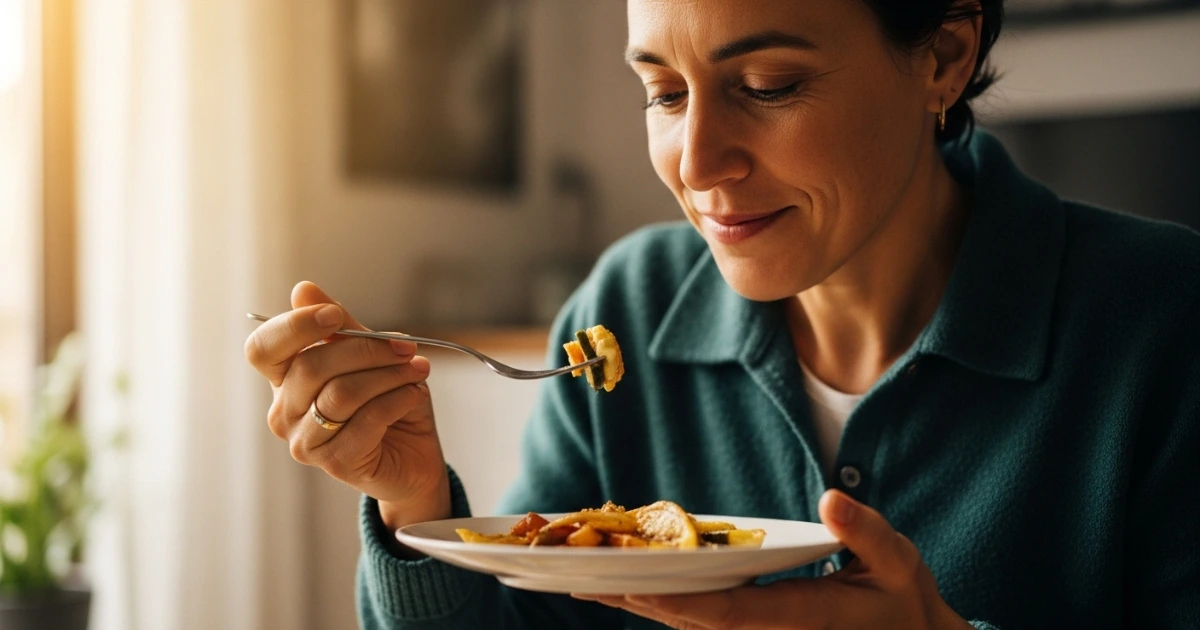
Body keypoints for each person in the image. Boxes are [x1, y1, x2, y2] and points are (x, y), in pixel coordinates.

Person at [244, 0, 1200, 628]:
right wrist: (415, 501)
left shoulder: (1165, 323)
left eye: (768, 87)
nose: (696, 164)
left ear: (944, 55)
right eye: (663, 92)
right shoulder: (625, 312)